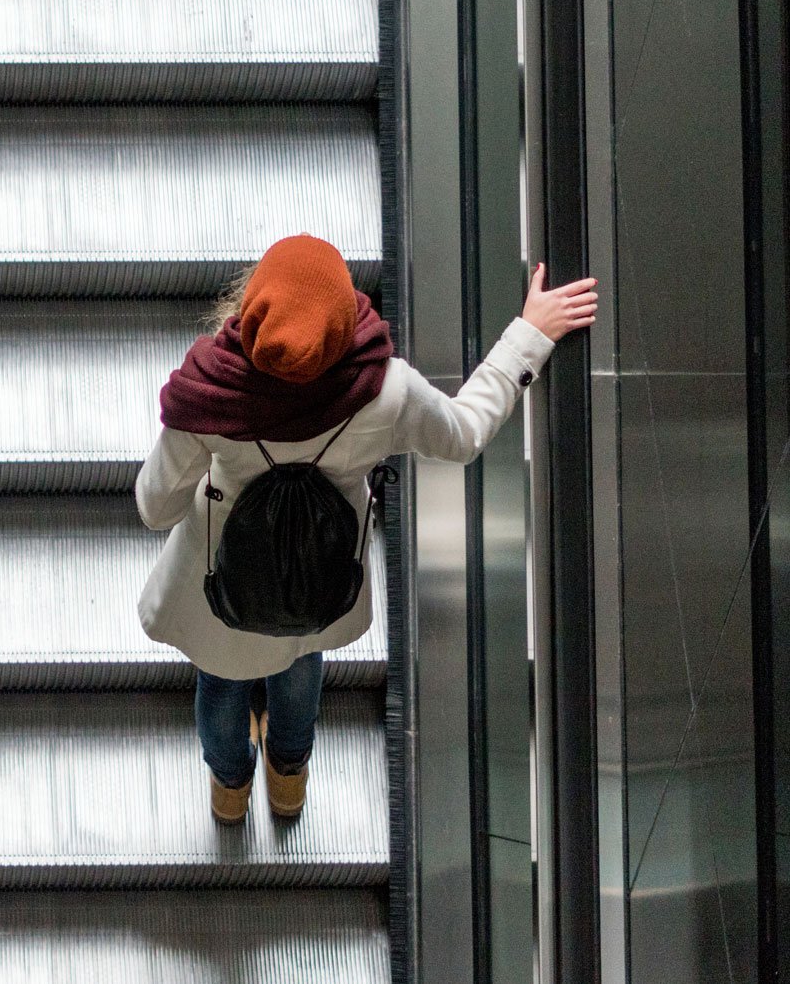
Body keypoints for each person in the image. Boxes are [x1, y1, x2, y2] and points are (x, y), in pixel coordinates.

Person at [136, 235, 597, 824]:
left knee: (221, 688)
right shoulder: (385, 391)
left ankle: (230, 793)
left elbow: (155, 507)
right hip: (321, 583)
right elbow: (464, 433)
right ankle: (289, 783)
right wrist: (529, 334)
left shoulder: (211, 395)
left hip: (223, 588)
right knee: (300, 670)